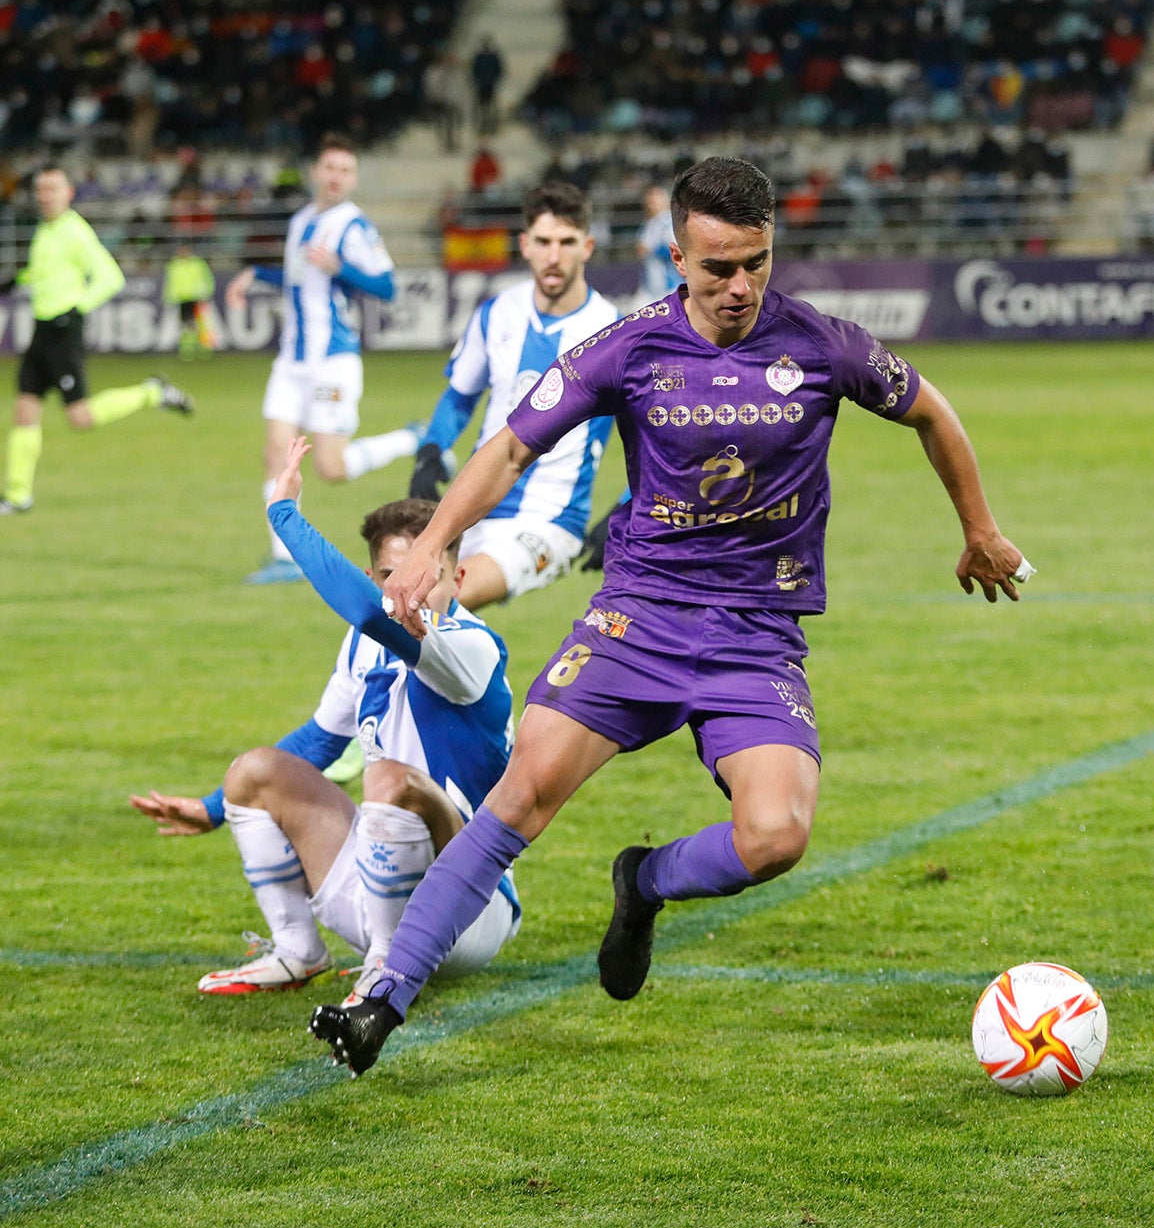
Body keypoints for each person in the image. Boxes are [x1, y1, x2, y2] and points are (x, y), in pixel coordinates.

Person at [309, 156, 1032, 1077]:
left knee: (776, 838)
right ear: (677, 256)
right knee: (521, 795)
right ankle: (381, 1000)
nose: (740, 286)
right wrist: (431, 543)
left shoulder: (822, 344)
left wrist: (980, 527)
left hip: (756, 639)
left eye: (757, 263)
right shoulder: (629, 346)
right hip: (636, 622)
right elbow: (510, 448)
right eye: (718, 266)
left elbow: (934, 413)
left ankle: (643, 880)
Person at [131, 437, 519, 1004]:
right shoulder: (362, 647)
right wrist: (212, 807)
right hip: (376, 884)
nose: (409, 590)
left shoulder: (474, 648)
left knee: (389, 778)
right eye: (393, 575)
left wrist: (284, 514)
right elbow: (319, 739)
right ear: (373, 574)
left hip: (468, 909)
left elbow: (366, 609)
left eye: (426, 574)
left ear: (457, 581)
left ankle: (390, 969)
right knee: (256, 769)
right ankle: (297, 950)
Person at [408, 181, 619, 610]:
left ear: (588, 246)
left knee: (437, 605)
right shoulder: (496, 313)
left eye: (567, 242)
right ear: (524, 244)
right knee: (399, 605)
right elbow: (459, 396)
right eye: (543, 242)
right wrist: (431, 450)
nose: (554, 256)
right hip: (471, 507)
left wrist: (625, 511)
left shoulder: (616, 334)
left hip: (549, 521)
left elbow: (658, 439)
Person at [226, 133, 418, 585]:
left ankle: (411, 439)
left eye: (346, 171)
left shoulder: (355, 228)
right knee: (275, 452)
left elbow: (386, 287)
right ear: (316, 170)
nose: (336, 177)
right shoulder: (301, 221)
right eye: (330, 167)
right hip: (292, 360)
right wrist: (256, 273)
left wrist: (341, 268)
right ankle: (284, 559)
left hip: (333, 359)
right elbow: (297, 279)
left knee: (328, 468)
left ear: (352, 178)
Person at [0, 165, 194, 516]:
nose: (44, 196)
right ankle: (17, 496)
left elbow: (111, 277)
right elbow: (46, 270)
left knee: (80, 417)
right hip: (42, 330)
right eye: (41, 189)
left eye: (52, 189)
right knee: (25, 409)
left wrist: (77, 309)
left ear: (69, 193)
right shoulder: (47, 229)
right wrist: (16, 280)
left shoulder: (75, 231)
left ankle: (152, 392)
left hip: (63, 332)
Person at [633, 183, 684, 308]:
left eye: (655, 198)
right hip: (650, 286)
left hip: (668, 285)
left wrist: (652, 250)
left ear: (665, 200)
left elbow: (678, 250)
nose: (651, 202)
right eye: (649, 198)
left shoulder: (669, 222)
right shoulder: (648, 224)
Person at [162, 241, 217, 359]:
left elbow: (208, 278)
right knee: (186, 323)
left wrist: (207, 293)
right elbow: (170, 282)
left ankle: (205, 347)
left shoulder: (198, 263)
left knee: (201, 323)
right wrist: (168, 297)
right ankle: (188, 348)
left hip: (197, 297)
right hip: (182, 298)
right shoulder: (174, 264)